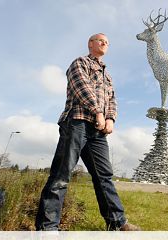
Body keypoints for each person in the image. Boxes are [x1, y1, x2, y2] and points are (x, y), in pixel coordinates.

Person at [35, 33, 141, 231]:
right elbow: (80, 86)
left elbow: (112, 99)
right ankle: (48, 228)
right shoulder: (80, 63)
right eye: (101, 40)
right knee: (61, 174)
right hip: (77, 122)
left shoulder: (107, 75)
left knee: (104, 176)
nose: (105, 43)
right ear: (90, 44)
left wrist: (110, 118)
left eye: (108, 42)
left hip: (98, 130)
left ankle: (117, 223)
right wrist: (98, 112)